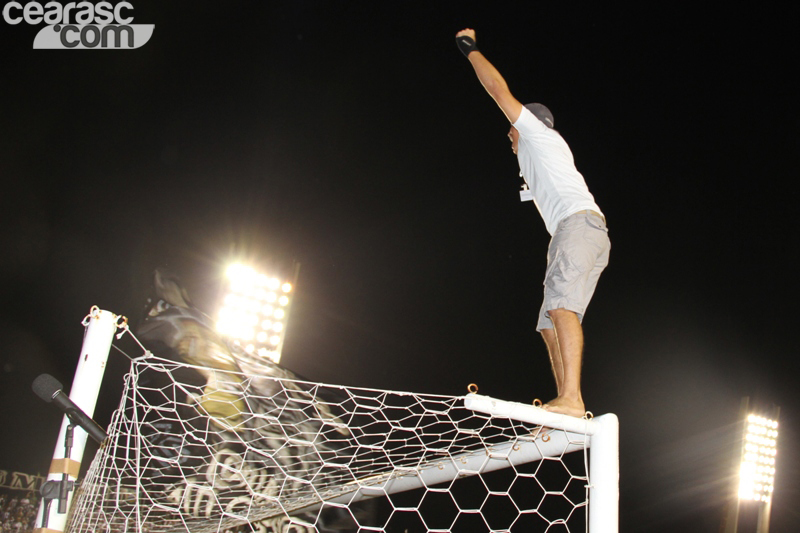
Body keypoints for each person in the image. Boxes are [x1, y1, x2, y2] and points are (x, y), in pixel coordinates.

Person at [455, 28, 610, 418]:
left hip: (578, 227)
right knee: (547, 321)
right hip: (578, 232)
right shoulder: (535, 159)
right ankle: (565, 402)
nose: (508, 134)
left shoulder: (537, 134)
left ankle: (572, 398)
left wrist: (470, 50)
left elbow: (497, 91)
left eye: (512, 128)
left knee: (561, 308)